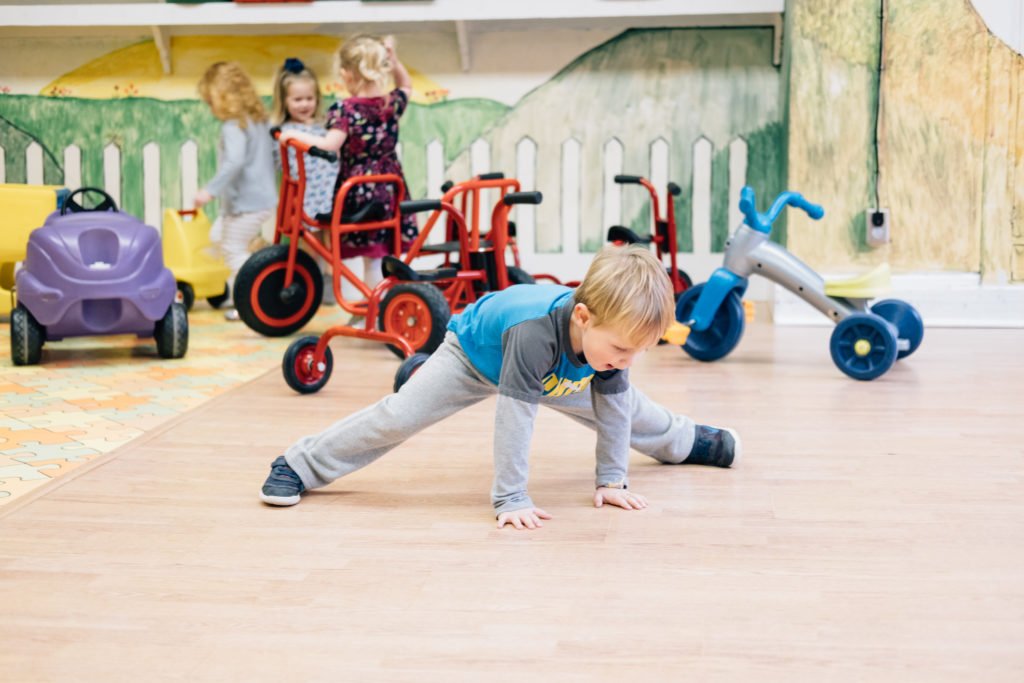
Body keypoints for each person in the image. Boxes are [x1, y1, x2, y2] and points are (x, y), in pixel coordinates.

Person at [259, 245, 742, 530]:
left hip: (560, 368)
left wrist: (611, 480)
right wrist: (510, 498)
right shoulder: (535, 332)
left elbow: (616, 411)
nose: (627, 361)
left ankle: (689, 439)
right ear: (582, 316)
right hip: (475, 356)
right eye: (622, 349)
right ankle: (299, 464)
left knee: (635, 410)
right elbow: (515, 421)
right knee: (400, 414)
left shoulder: (611, 342)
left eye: (639, 351)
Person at [279, 34, 418, 318]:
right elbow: (406, 85)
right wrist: (395, 60)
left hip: (359, 189)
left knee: (368, 253)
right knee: (380, 252)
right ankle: (378, 307)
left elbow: (330, 144)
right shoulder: (390, 103)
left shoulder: (345, 110)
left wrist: (294, 134)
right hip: (391, 187)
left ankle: (373, 309)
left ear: (346, 74)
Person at [194, 61, 277, 321]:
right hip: (258, 200)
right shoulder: (258, 122)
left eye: (211, 102)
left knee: (231, 248)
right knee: (219, 235)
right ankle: (247, 272)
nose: (210, 109)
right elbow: (273, 156)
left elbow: (234, 161)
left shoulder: (234, 127)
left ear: (223, 98)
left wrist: (210, 190)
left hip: (248, 203)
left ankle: (251, 300)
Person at [270, 57, 341, 303]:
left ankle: (332, 282)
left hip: (329, 191)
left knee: (331, 241)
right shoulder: (284, 130)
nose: (304, 105)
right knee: (309, 243)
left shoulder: (324, 127)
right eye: (297, 100)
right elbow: (281, 164)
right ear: (285, 100)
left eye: (309, 99)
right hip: (306, 194)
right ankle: (314, 280)